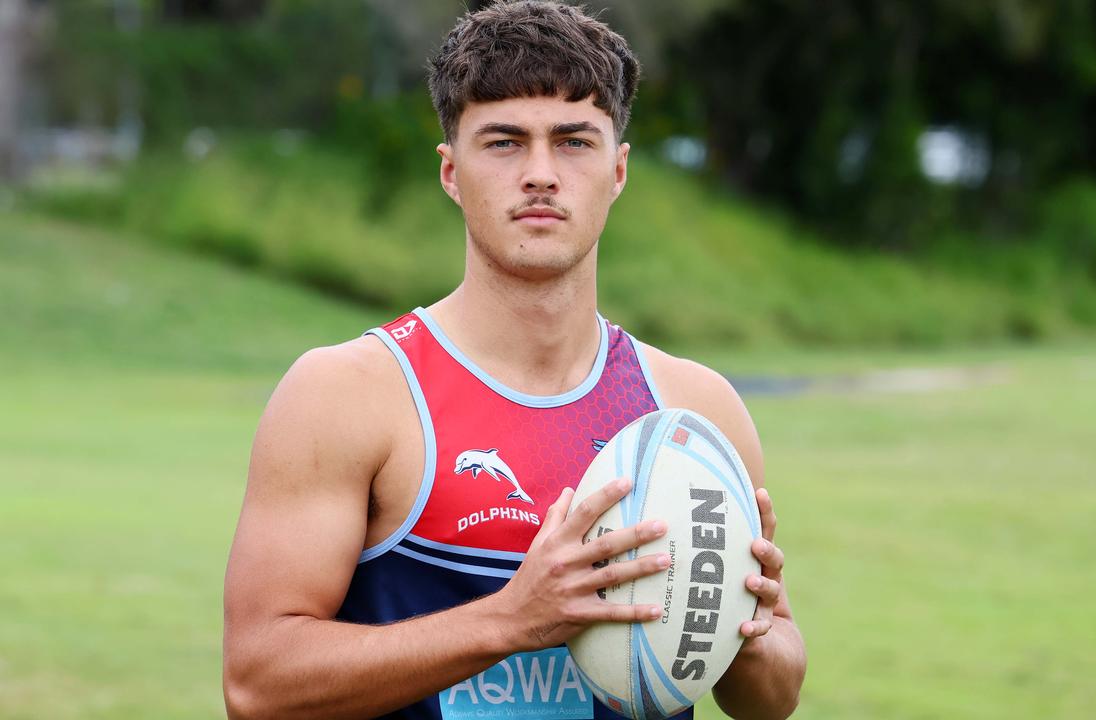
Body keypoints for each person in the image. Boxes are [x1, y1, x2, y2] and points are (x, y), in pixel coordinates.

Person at [221, 2, 806, 718]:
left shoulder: (694, 414)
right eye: (503, 142)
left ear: (618, 170)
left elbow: (770, 700)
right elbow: (257, 684)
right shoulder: (349, 393)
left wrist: (742, 632)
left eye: (573, 143)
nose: (540, 174)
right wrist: (509, 620)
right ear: (450, 172)